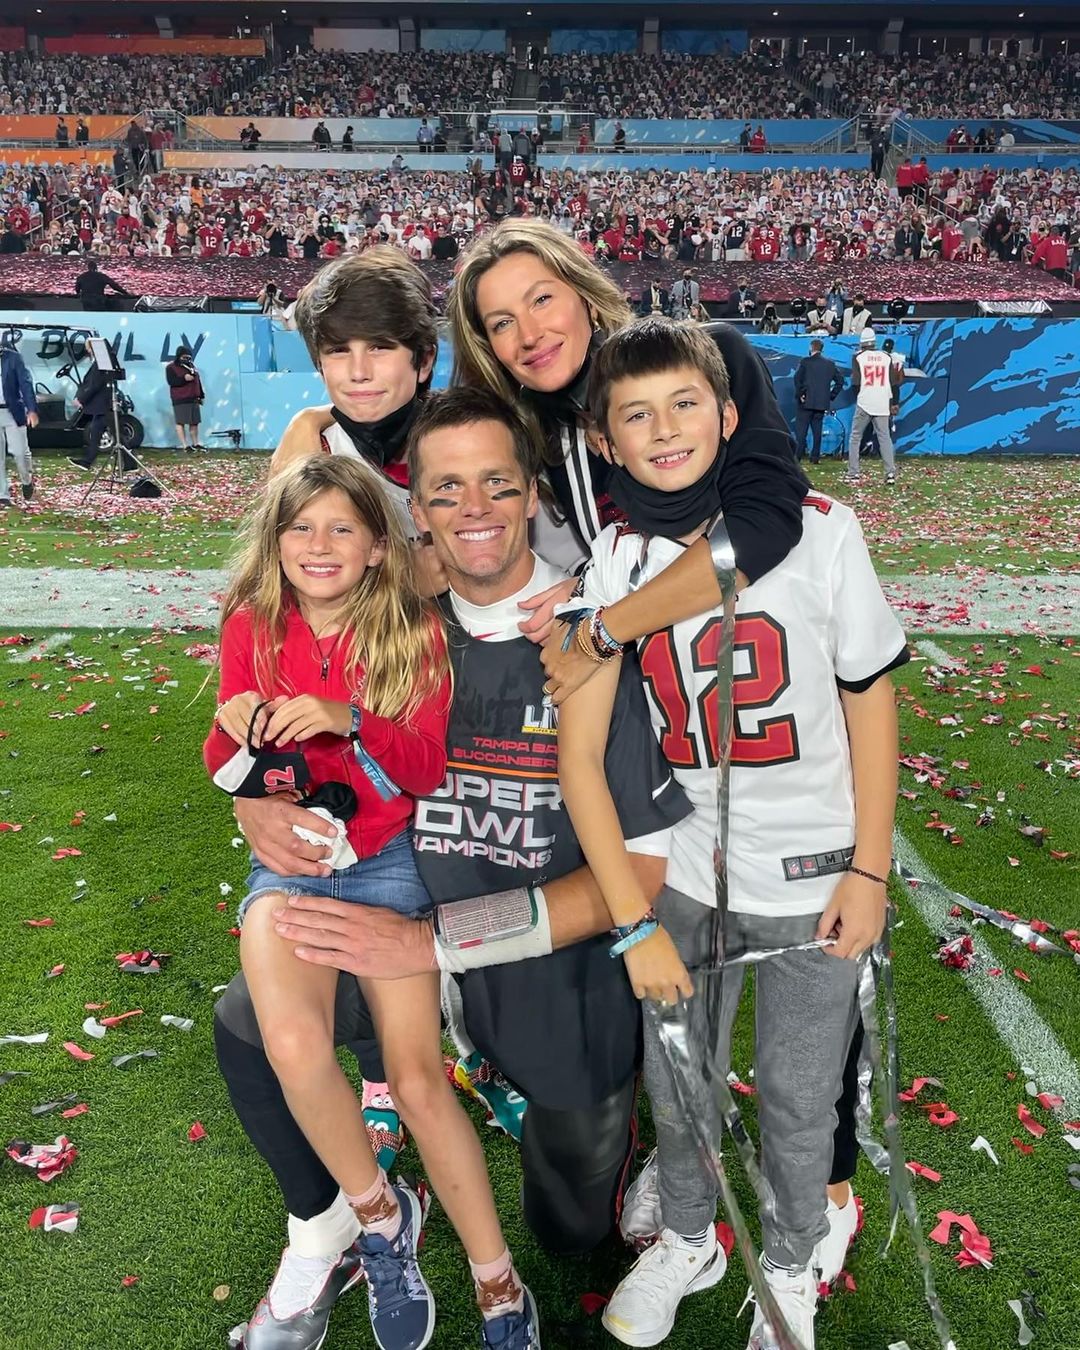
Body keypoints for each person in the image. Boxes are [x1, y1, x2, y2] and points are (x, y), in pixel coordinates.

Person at [213, 389, 688, 1350]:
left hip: (540, 971)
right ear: (415, 513)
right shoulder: (388, 619)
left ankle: (593, 1140)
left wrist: (435, 937)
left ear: (531, 496)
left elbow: (630, 878)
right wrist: (253, 795)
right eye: (446, 489)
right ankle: (338, 1222)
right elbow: (257, 702)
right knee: (251, 1029)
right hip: (399, 927)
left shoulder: (591, 638)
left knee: (571, 1232)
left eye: (497, 485)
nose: (474, 508)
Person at [556, 317, 907, 1349]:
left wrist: (871, 868)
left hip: (812, 871)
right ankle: (691, 1236)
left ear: (729, 413)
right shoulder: (615, 559)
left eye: (683, 405)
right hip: (685, 872)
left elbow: (869, 703)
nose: (664, 430)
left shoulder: (822, 528)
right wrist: (633, 919)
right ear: (606, 444)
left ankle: (793, 1258)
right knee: (679, 1073)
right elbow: (583, 741)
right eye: (635, 415)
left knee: (801, 1096)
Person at [206, 452, 540, 1350]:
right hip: (293, 863)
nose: (318, 545)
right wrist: (240, 761)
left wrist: (345, 717)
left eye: (341, 528)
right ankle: (383, 1220)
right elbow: (233, 762)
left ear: (374, 547)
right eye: (301, 527)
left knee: (422, 1084)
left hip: (388, 861)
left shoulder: (410, 629)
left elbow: (425, 768)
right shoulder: (251, 621)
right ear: (275, 542)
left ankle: (499, 1288)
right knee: (292, 1043)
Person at [285, 221, 808, 672]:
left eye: (541, 299)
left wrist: (603, 618)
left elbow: (763, 526)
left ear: (582, 292)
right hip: (648, 675)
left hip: (764, 645)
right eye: (502, 323)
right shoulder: (528, 420)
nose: (530, 334)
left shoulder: (708, 358)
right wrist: (316, 419)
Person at [847, 329, 900, 486]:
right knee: (885, 439)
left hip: (865, 401)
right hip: (883, 402)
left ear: (862, 343)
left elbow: (856, 383)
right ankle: (890, 473)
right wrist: (894, 402)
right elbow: (894, 383)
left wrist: (860, 396)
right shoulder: (886, 357)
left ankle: (854, 473)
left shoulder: (858, 357)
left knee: (855, 437)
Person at [0, 342, 38, 506]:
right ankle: (3, 494)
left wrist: (31, 409)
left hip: (12, 411)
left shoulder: (13, 358)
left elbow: (25, 384)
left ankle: (27, 480)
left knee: (19, 453)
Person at [793, 339, 843, 464]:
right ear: (822, 349)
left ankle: (797, 457)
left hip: (806, 402)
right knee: (817, 432)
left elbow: (797, 379)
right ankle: (815, 457)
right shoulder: (830, 364)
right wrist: (831, 396)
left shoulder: (805, 362)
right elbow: (840, 381)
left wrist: (800, 395)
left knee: (801, 432)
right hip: (821, 403)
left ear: (811, 348)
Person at [67, 349, 113, 471]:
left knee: (112, 432)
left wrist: (81, 399)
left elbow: (95, 385)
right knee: (96, 431)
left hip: (102, 405)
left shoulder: (99, 364)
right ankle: (87, 461)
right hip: (101, 405)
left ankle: (87, 462)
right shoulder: (98, 363)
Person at [165, 346, 205, 452]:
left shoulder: (192, 366)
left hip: (193, 398)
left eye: (188, 357)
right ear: (179, 356)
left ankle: (195, 444)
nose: (187, 359)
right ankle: (185, 445)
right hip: (180, 398)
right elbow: (171, 382)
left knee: (194, 422)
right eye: (184, 357)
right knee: (181, 422)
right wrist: (184, 379)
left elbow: (197, 381)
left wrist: (201, 395)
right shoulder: (171, 367)